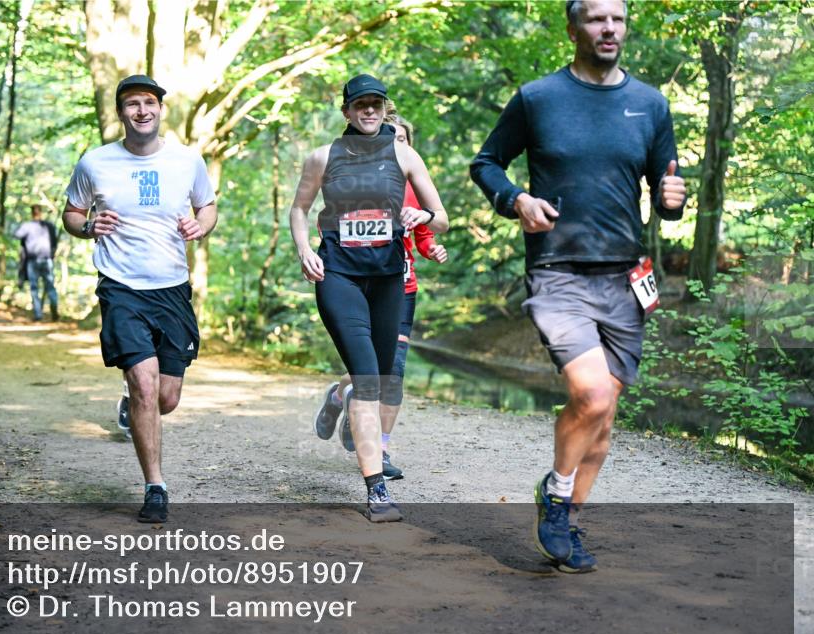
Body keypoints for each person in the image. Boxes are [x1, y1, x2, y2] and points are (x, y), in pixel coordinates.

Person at [470, 0, 687, 572]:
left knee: (605, 417)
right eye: (595, 18)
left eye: (616, 18)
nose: (608, 27)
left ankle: (565, 510)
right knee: (590, 396)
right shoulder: (539, 98)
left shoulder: (649, 104)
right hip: (558, 272)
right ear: (573, 28)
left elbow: (666, 189)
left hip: (625, 277)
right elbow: (486, 162)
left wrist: (673, 203)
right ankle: (558, 500)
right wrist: (514, 198)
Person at [291, 74, 449, 522]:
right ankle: (376, 488)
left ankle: (340, 404)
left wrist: (424, 215)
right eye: (360, 104)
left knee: (381, 379)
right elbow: (299, 208)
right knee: (366, 378)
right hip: (338, 275)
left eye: (376, 104)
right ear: (346, 111)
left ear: (384, 107)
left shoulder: (405, 155)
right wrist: (304, 249)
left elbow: (442, 220)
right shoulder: (322, 157)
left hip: (387, 281)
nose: (369, 111)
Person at [62, 74, 217, 523]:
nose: (142, 111)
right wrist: (88, 226)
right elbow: (72, 213)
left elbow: (207, 206)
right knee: (145, 386)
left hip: (171, 288)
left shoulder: (187, 160)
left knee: (166, 398)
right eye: (132, 104)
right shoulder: (95, 162)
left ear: (160, 109)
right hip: (121, 287)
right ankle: (156, 487)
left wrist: (200, 226)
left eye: (149, 103)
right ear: (121, 112)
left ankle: (132, 407)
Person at [314, 113, 448, 481]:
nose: (396, 145)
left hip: (400, 285)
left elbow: (428, 231)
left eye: (403, 140)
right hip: (358, 280)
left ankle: (382, 448)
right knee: (368, 369)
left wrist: (430, 245)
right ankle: (341, 396)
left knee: (393, 372)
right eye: (394, 138)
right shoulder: (353, 181)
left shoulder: (411, 184)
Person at [14, 204, 60, 322]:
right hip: (44, 259)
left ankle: (39, 314)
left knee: (35, 288)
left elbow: (16, 234)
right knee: (49, 286)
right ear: (41, 212)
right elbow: (54, 243)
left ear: (32, 213)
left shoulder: (28, 226)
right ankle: (52, 311)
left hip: (35, 260)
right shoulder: (49, 226)